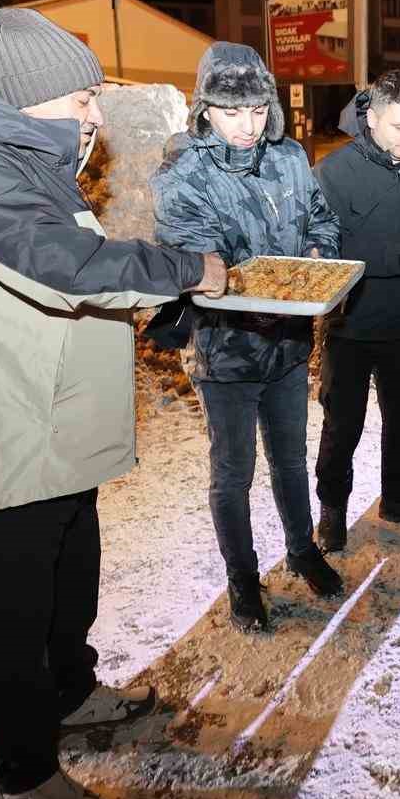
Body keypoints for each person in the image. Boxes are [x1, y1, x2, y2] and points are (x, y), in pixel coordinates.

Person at [0, 7, 226, 799]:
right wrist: (183, 271)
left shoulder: (18, 155)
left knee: (65, 582)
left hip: (47, 428)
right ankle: (23, 768)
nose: (94, 116)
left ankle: (70, 696)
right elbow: (64, 266)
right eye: (81, 100)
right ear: (27, 98)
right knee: (6, 615)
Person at [151, 42, 345, 634]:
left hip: (287, 346)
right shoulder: (182, 172)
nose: (247, 125)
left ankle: (302, 548)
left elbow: (322, 218)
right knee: (232, 473)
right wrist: (243, 274)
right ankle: (242, 577)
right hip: (224, 349)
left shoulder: (289, 158)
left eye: (258, 111)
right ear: (205, 107)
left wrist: (317, 255)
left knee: (290, 458)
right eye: (231, 112)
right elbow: (197, 254)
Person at [313, 70, 400, 551]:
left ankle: (397, 499)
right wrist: (397, 258)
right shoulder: (334, 172)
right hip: (351, 325)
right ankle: (332, 511)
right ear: (371, 118)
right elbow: (326, 250)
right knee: (343, 425)